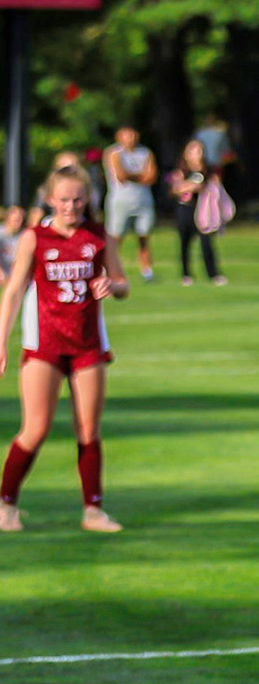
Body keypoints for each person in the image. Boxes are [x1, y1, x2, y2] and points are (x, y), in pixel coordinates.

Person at [0, 165, 131, 533]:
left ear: (87, 198)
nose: (70, 207)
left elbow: (123, 284)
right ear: (49, 199)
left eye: (77, 199)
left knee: (88, 430)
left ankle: (93, 511)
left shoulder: (99, 235)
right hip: (45, 344)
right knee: (35, 429)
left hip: (88, 345)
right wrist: (2, 342)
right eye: (63, 200)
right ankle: (5, 504)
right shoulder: (35, 238)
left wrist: (112, 286)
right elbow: (12, 292)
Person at [165, 141, 225, 286]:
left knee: (206, 242)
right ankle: (186, 274)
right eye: (192, 151)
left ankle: (213, 273)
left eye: (198, 151)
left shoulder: (208, 170)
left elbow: (213, 187)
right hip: (185, 209)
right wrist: (187, 186)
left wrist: (199, 187)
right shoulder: (181, 171)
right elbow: (173, 189)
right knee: (184, 242)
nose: (195, 155)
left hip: (203, 210)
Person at [104, 126, 158, 283]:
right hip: (120, 202)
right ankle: (110, 269)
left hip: (143, 201)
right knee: (116, 237)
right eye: (126, 134)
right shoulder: (114, 152)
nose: (130, 138)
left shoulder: (146, 153)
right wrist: (141, 175)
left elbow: (151, 176)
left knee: (144, 236)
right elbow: (121, 175)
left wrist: (134, 176)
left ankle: (147, 271)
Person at [0, 205, 25, 280]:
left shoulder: (24, 235)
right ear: (8, 219)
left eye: (20, 219)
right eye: (15, 220)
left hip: (15, 274)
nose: (18, 222)